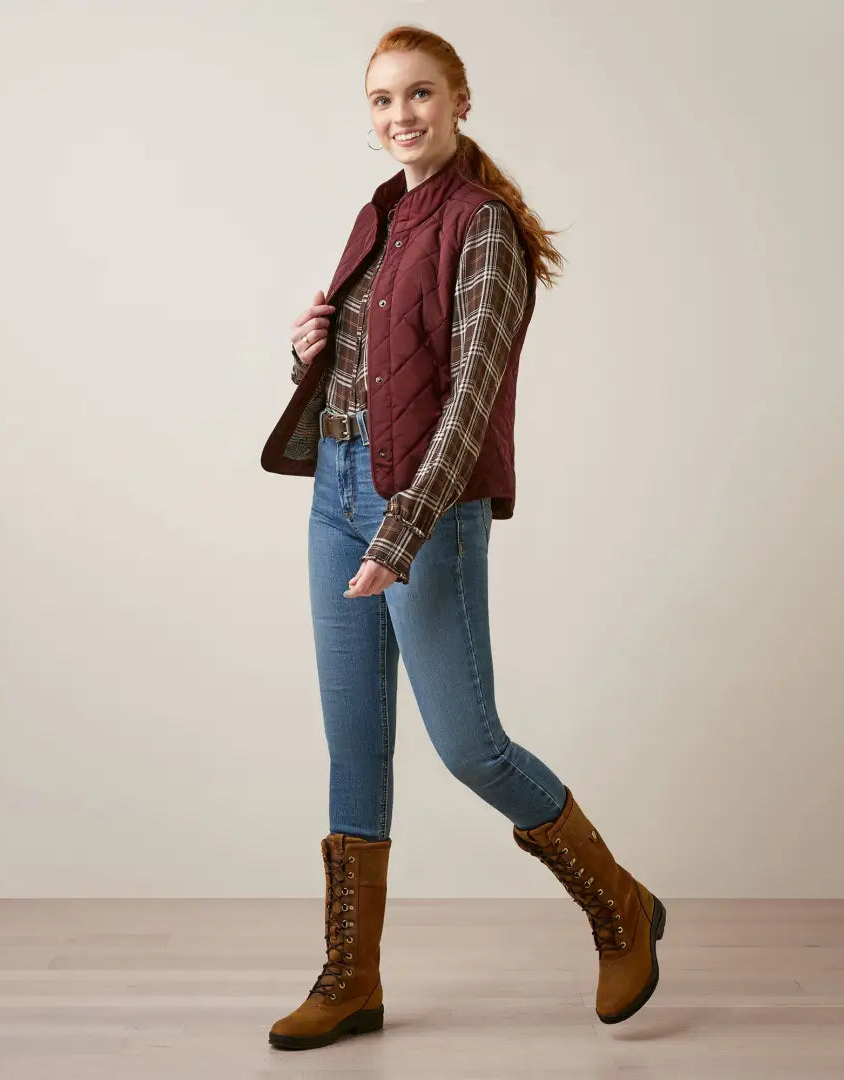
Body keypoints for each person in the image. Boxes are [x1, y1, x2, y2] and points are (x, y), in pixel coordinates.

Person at [262, 25, 666, 1052]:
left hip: (426, 508)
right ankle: (350, 979)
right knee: (352, 743)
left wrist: (399, 534)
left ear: (461, 100)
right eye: (383, 100)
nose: (400, 115)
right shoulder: (381, 216)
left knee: (467, 745)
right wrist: (310, 348)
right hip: (336, 492)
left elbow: (469, 403)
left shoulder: (482, 226)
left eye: (420, 94)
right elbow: (374, 375)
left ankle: (621, 905)